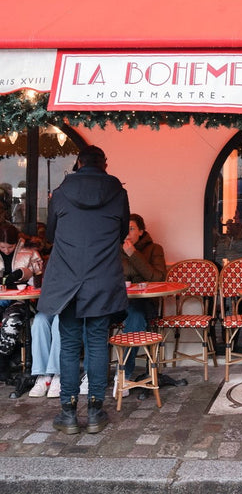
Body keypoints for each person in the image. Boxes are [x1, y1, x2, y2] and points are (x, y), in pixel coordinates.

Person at [37, 146, 130, 435]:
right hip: (102, 277)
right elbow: (122, 233)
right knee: (98, 343)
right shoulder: (118, 192)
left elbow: (51, 234)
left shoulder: (61, 192)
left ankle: (67, 413)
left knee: (68, 344)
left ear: (78, 163)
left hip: (67, 278)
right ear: (105, 164)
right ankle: (94, 411)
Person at [118, 214, 166, 385]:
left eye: (131, 229)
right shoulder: (113, 249)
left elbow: (158, 278)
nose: (127, 233)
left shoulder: (154, 249)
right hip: (117, 302)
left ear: (141, 231)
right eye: (124, 229)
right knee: (93, 318)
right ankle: (92, 374)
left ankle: (124, 374)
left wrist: (134, 254)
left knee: (136, 317)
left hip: (144, 302)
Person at [0, 222, 43, 383]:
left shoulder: (30, 253)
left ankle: (3, 361)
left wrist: (26, 274)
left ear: (17, 242)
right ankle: (11, 356)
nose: (5, 251)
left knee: (11, 320)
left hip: (22, 301)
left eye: (9, 247)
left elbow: (40, 282)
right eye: (2, 247)